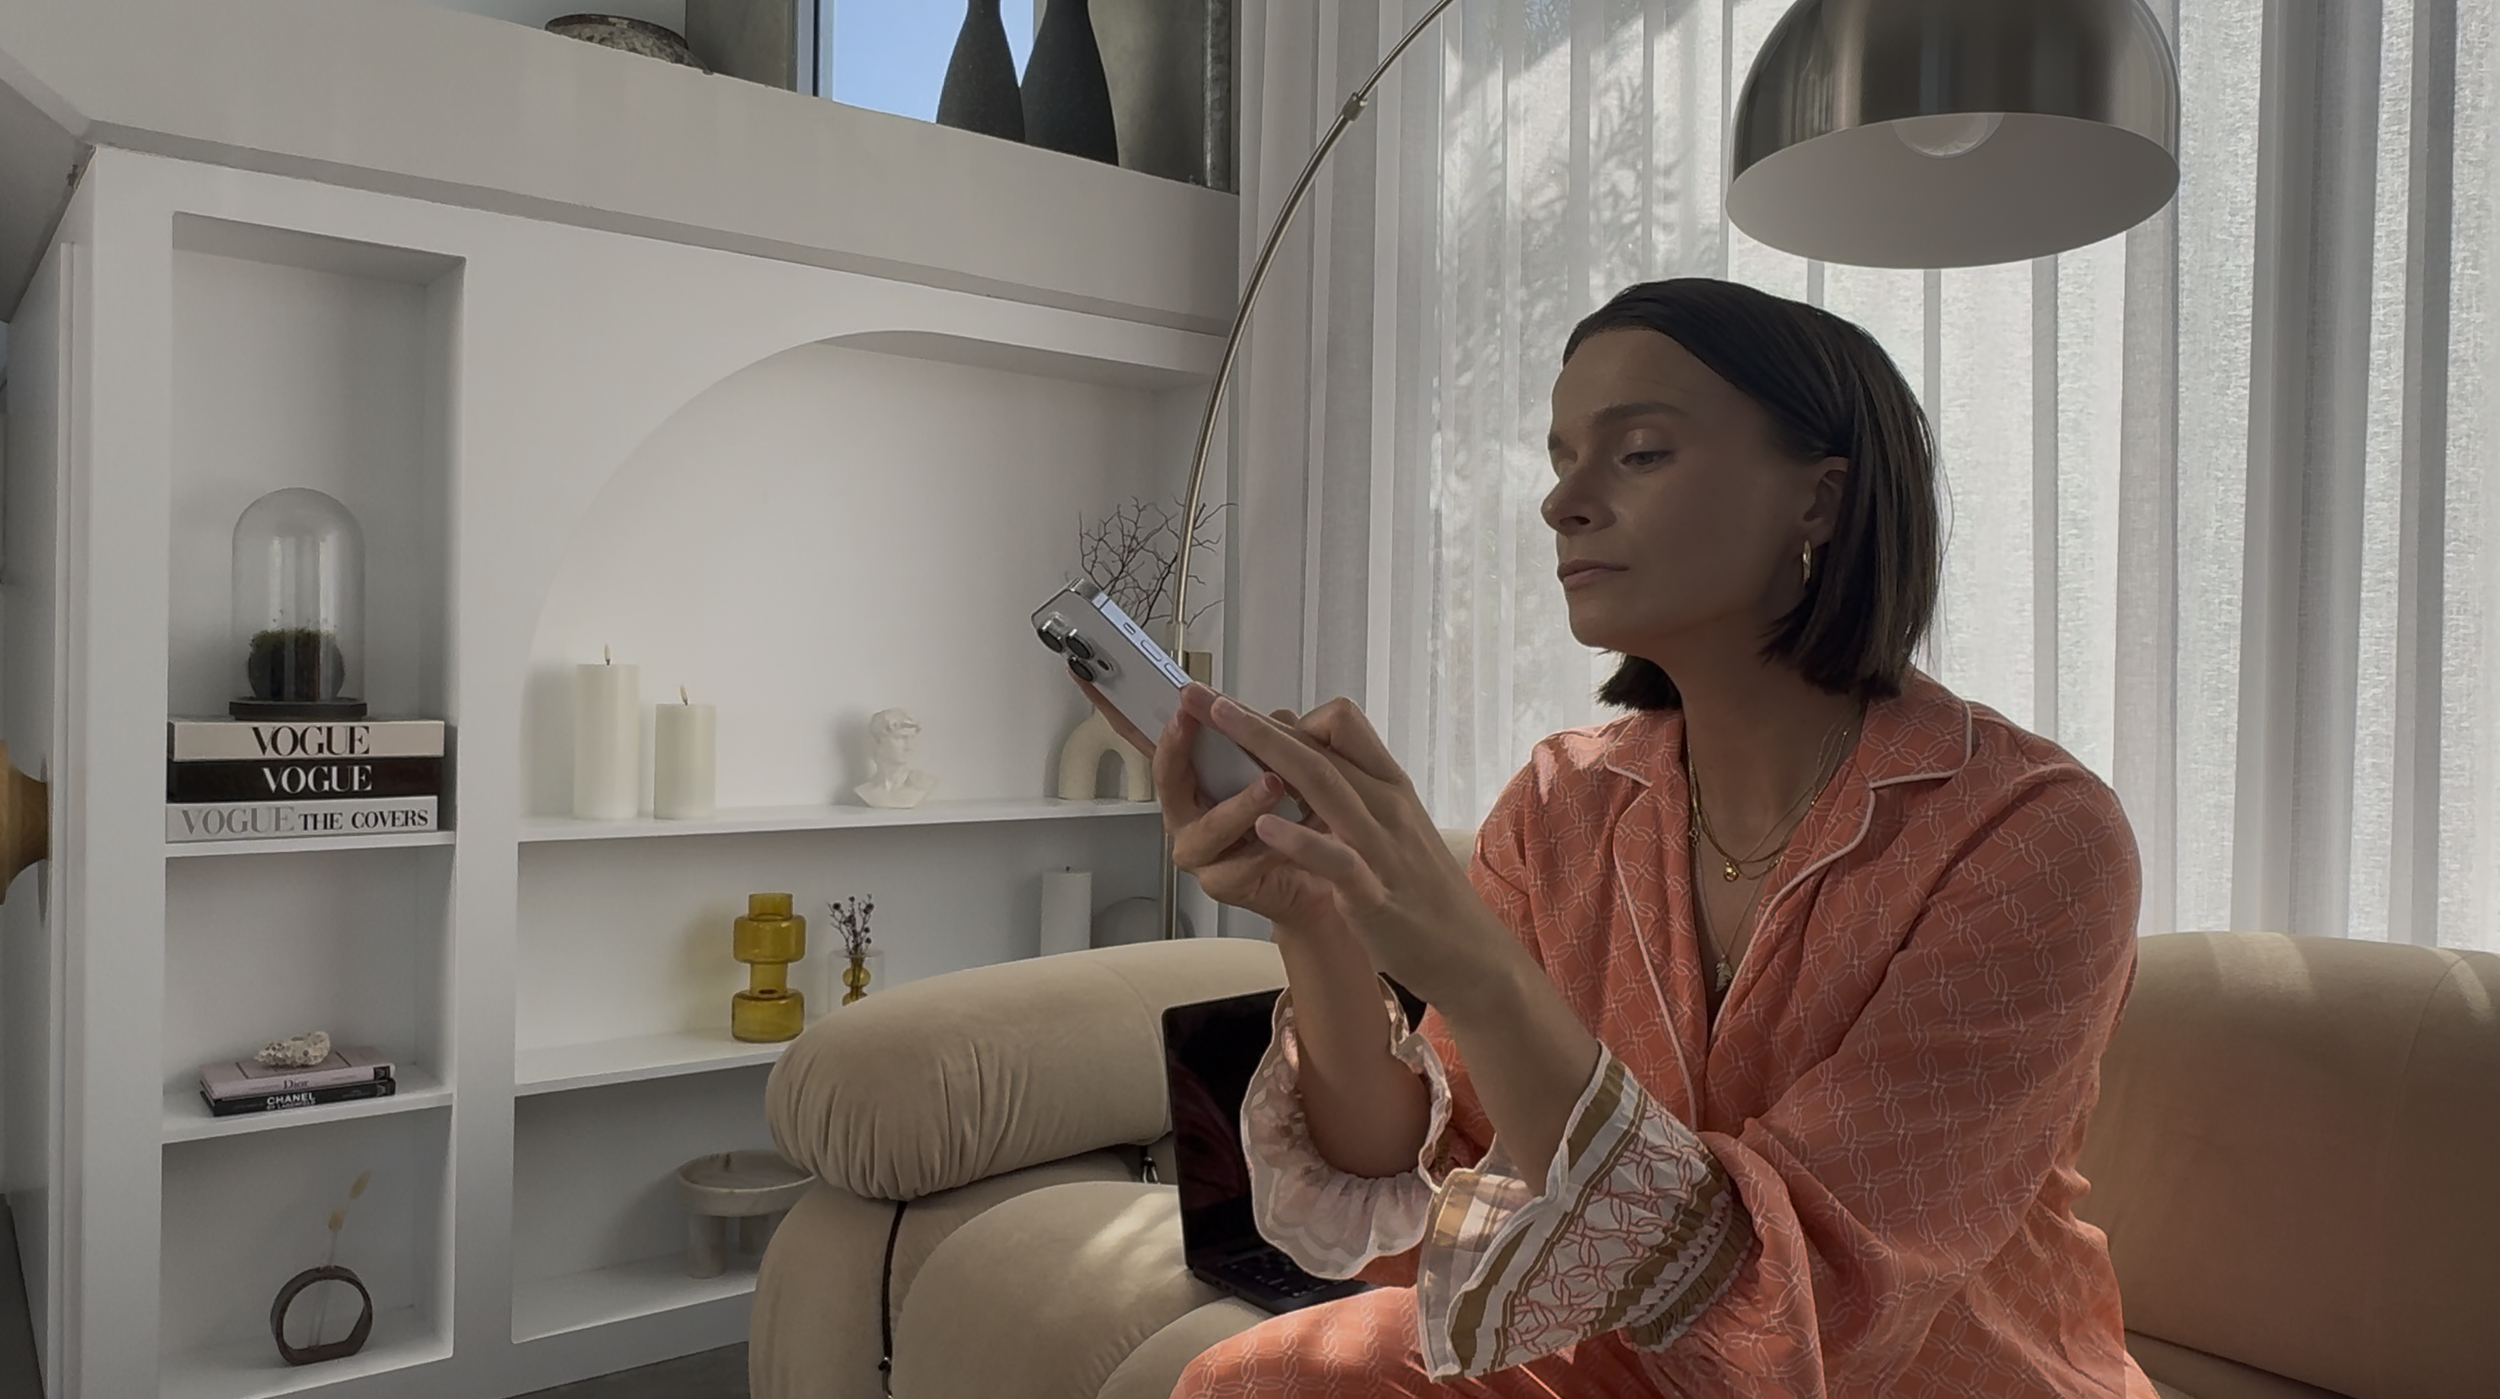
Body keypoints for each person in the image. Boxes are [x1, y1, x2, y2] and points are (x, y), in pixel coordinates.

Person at [1082, 277, 2153, 1398]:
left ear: (1821, 501)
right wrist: (1314, 917)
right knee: (1257, 1380)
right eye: (1560, 460)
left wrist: (1470, 960)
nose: (1563, 503)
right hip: (1632, 1364)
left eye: (1637, 452)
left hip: (1931, 1380)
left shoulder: (2029, 831)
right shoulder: (1565, 801)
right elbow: (1410, 1172)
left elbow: (1814, 1318)